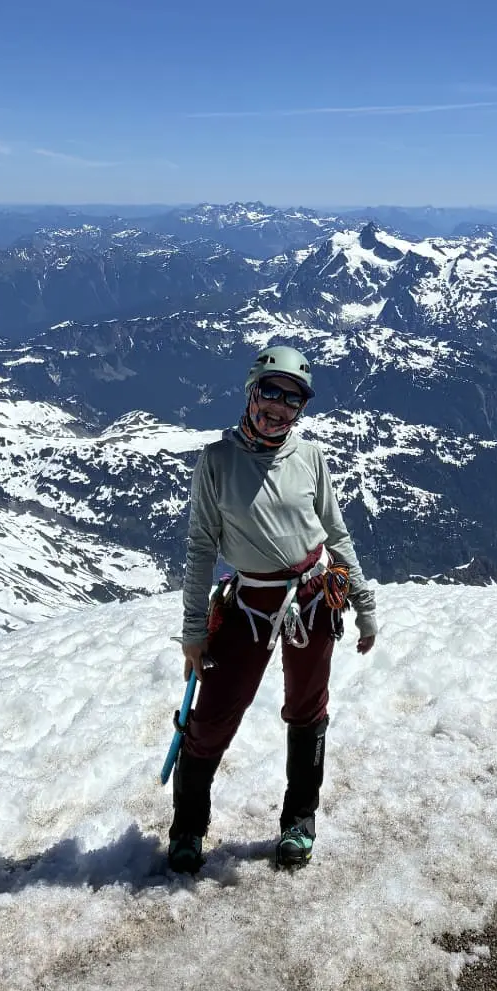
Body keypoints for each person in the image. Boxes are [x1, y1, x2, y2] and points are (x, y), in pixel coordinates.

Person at [169, 344, 377, 873]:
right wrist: (194, 631)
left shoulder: (309, 458)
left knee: (307, 710)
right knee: (214, 714)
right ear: (251, 392)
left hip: (311, 598)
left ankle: (298, 822)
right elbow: (199, 549)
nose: (280, 406)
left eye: (293, 399)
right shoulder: (217, 462)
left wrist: (363, 600)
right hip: (249, 602)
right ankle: (188, 827)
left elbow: (335, 531)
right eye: (271, 392)